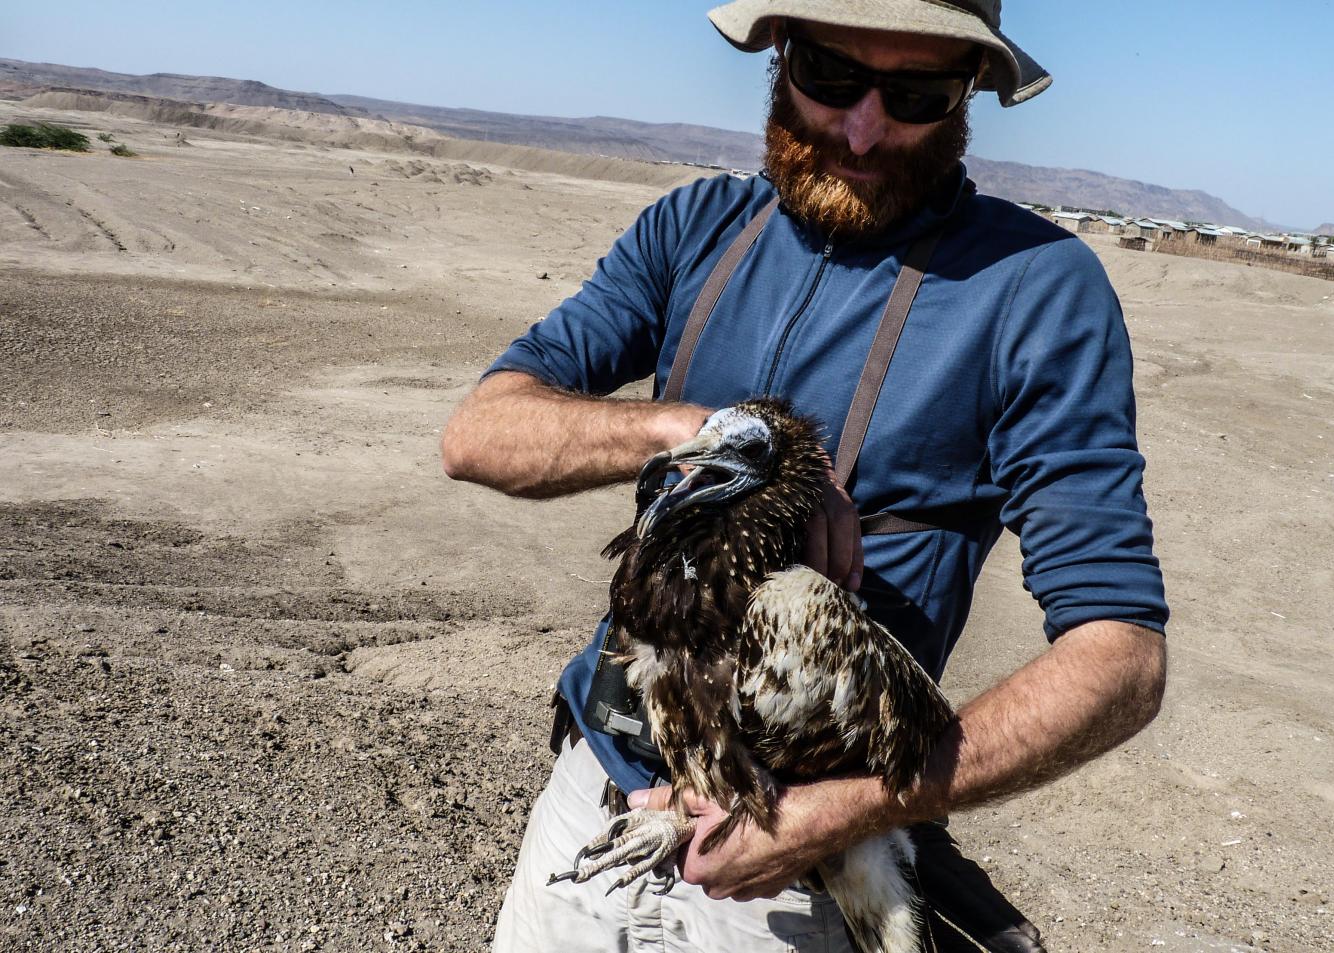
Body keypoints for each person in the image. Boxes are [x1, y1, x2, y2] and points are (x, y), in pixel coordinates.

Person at [442, 2, 1168, 950]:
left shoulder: (1034, 287)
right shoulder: (698, 227)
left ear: (967, 97)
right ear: (781, 56)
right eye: (833, 77)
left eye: (914, 94)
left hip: (800, 873)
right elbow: (478, 432)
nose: (864, 128)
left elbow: (1123, 657)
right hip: (596, 805)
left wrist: (843, 814)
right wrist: (717, 439)